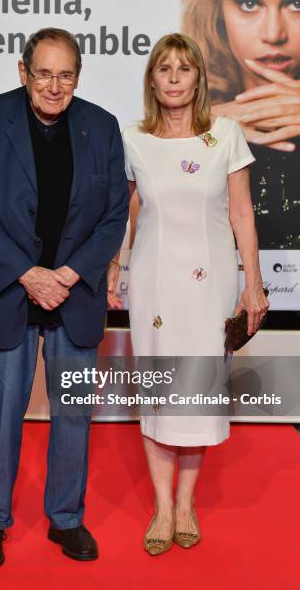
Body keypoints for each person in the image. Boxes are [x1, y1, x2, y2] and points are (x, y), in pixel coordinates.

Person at [0, 27, 128, 567]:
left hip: (74, 295)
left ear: (79, 75)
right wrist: (30, 274)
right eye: (45, 73)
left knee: (74, 413)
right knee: (1, 415)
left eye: (67, 75)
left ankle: (67, 519)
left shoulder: (101, 127)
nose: (55, 86)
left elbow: (114, 214)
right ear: (23, 71)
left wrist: (70, 274)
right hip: (11, 292)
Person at [108, 33, 269, 555]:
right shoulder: (132, 139)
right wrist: (114, 264)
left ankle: (185, 504)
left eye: (184, 68)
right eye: (164, 69)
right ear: (151, 79)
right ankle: (160, 505)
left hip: (212, 283)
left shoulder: (225, 134)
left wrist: (254, 283)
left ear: (199, 76)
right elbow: (125, 214)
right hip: (154, 282)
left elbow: (242, 213)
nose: (174, 78)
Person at [179, 0, 300, 249]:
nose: (273, 33)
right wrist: (194, 126)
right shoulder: (189, 118)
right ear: (215, 12)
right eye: (249, 3)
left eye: (296, 4)